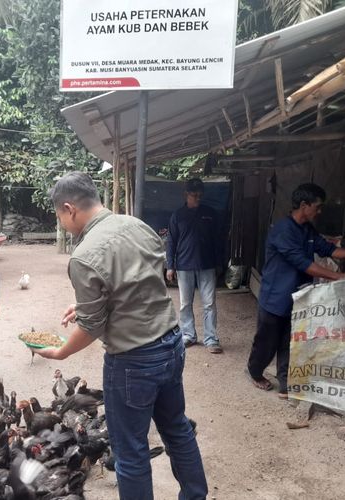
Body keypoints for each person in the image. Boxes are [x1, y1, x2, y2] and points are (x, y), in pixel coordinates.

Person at [33, 172, 207, 500]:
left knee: (130, 453)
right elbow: (138, 284)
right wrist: (84, 304)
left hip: (133, 361)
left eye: (59, 215)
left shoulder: (84, 256)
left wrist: (61, 353)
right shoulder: (137, 225)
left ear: (69, 208)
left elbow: (91, 327)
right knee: (178, 430)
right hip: (171, 343)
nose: (62, 221)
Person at [248, 183, 345, 399]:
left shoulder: (308, 230)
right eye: (318, 206)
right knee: (267, 342)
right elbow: (303, 264)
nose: (319, 211)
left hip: (299, 296)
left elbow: (329, 250)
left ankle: (285, 383)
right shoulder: (282, 230)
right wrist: (340, 276)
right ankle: (255, 372)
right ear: (304, 205)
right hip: (275, 297)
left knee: (290, 341)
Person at [166, 178, 223, 353]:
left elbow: (218, 240)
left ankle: (211, 338)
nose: (197, 198)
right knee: (185, 303)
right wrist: (170, 266)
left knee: (209, 303)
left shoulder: (210, 213)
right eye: (194, 195)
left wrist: (220, 263)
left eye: (200, 195)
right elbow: (171, 242)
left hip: (207, 264)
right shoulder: (178, 215)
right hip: (184, 265)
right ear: (186, 195)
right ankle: (188, 335)